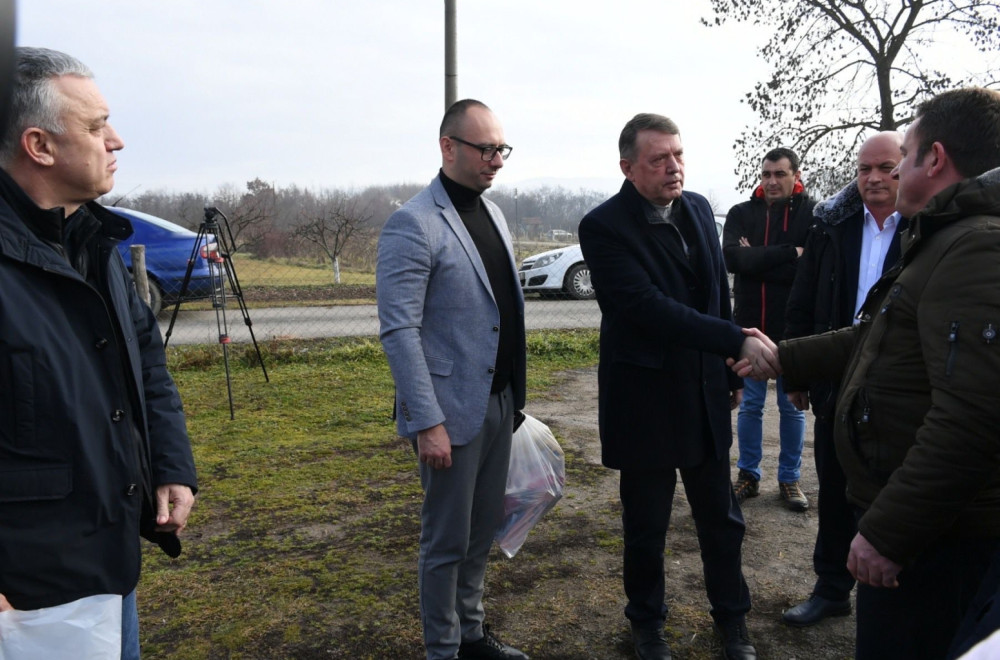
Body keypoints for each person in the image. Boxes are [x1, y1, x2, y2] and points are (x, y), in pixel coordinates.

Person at [740, 87, 1000, 659]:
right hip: (922, 521)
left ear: (934, 158)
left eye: (902, 156)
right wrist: (787, 357)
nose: (890, 172)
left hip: (938, 537)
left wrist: (888, 533)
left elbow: (973, 418)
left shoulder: (975, 247)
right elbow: (878, 334)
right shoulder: (944, 235)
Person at [0, 47, 197, 658]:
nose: (116, 140)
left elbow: (147, 364)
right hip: (25, 597)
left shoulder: (92, 242)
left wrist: (169, 464)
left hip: (107, 566)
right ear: (39, 145)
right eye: (95, 126)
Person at [578, 112, 778, 660]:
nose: (674, 167)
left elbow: (716, 295)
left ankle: (732, 620)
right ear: (628, 167)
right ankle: (646, 625)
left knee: (721, 520)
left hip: (703, 391)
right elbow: (645, 308)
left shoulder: (698, 209)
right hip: (644, 400)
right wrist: (734, 340)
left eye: (679, 154)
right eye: (659, 158)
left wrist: (726, 370)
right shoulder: (603, 226)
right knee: (646, 526)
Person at [376, 99, 528, 660]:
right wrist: (427, 422)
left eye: (501, 149)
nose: (497, 160)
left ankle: (471, 634)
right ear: (448, 147)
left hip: (499, 402)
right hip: (448, 413)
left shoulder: (494, 215)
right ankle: (442, 650)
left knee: (482, 531)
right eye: (485, 149)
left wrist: (514, 397)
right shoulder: (413, 223)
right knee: (445, 541)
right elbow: (399, 331)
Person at [780, 132, 905, 627]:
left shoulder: (927, 225)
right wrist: (796, 372)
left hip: (898, 383)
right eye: (864, 169)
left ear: (907, 168)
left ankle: (893, 596)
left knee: (891, 492)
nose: (874, 178)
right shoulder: (832, 225)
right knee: (834, 488)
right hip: (837, 379)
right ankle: (832, 588)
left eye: (887, 168)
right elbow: (803, 297)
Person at [722, 148, 814, 512]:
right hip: (748, 326)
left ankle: (789, 478)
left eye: (780, 174)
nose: (772, 181)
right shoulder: (741, 213)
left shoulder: (811, 213)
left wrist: (755, 259)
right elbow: (733, 259)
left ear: (796, 175)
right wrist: (790, 252)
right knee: (750, 406)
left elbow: (809, 269)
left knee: (792, 407)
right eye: (766, 174)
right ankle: (748, 475)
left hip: (792, 327)